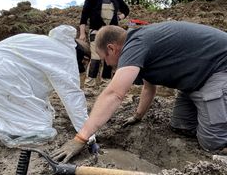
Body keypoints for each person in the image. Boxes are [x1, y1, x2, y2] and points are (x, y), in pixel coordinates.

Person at [55, 21, 227, 162]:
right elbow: (148, 87)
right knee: (181, 126)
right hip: (194, 81)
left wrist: (81, 138)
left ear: (112, 48)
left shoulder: (135, 43)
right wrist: (137, 116)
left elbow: (114, 93)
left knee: (213, 142)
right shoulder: (143, 46)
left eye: (105, 58)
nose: (106, 65)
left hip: (219, 69)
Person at [0, 25, 97, 158]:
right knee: (41, 128)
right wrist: (87, 136)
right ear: (84, 59)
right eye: (86, 64)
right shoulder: (65, 56)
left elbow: (35, 87)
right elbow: (71, 95)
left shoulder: (47, 44)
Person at [79, 0, 129, 94]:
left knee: (109, 57)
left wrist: (120, 16)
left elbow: (126, 10)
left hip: (111, 32)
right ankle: (89, 86)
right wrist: (82, 33)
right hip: (96, 30)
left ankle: (105, 85)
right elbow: (84, 15)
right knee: (96, 57)